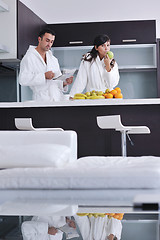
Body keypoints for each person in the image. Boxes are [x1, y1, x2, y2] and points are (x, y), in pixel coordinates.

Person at [19, 28, 73, 101]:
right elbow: (23, 80)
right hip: (41, 100)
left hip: (56, 99)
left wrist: (64, 82)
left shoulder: (53, 59)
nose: (49, 44)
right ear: (39, 39)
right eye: (47, 40)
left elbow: (56, 80)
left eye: (51, 42)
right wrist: (43, 76)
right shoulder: (29, 58)